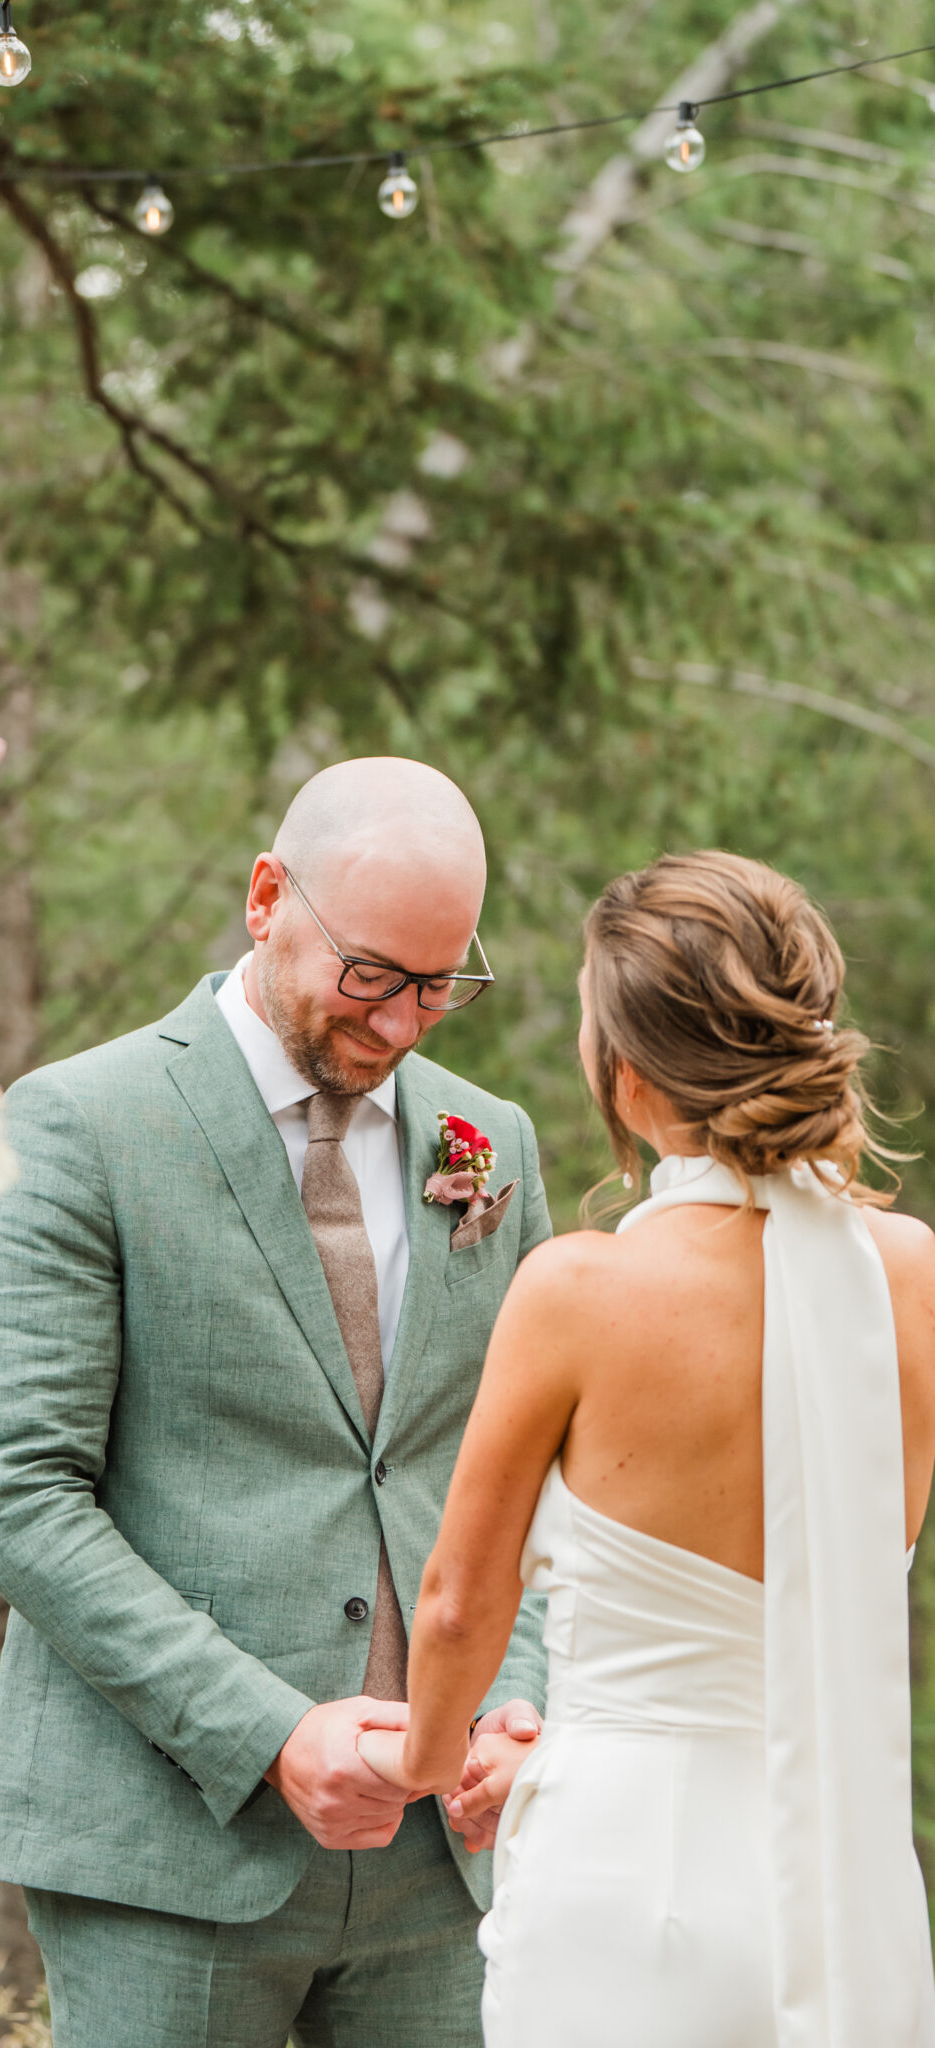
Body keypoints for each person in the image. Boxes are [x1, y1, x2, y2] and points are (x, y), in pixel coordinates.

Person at [0, 757, 550, 2046]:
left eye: (441, 982)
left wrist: (518, 1704)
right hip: (171, 1847)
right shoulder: (75, 1123)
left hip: (440, 1870)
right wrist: (273, 1734)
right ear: (266, 897)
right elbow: (17, 1496)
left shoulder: (490, 1142)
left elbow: (537, 1482)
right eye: (373, 974)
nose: (401, 1024)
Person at [361, 849, 935, 2047]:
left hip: (623, 1877)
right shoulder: (915, 1276)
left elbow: (462, 1602)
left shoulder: (579, 1286)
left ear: (625, 1078)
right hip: (839, 1881)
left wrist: (425, 1759)